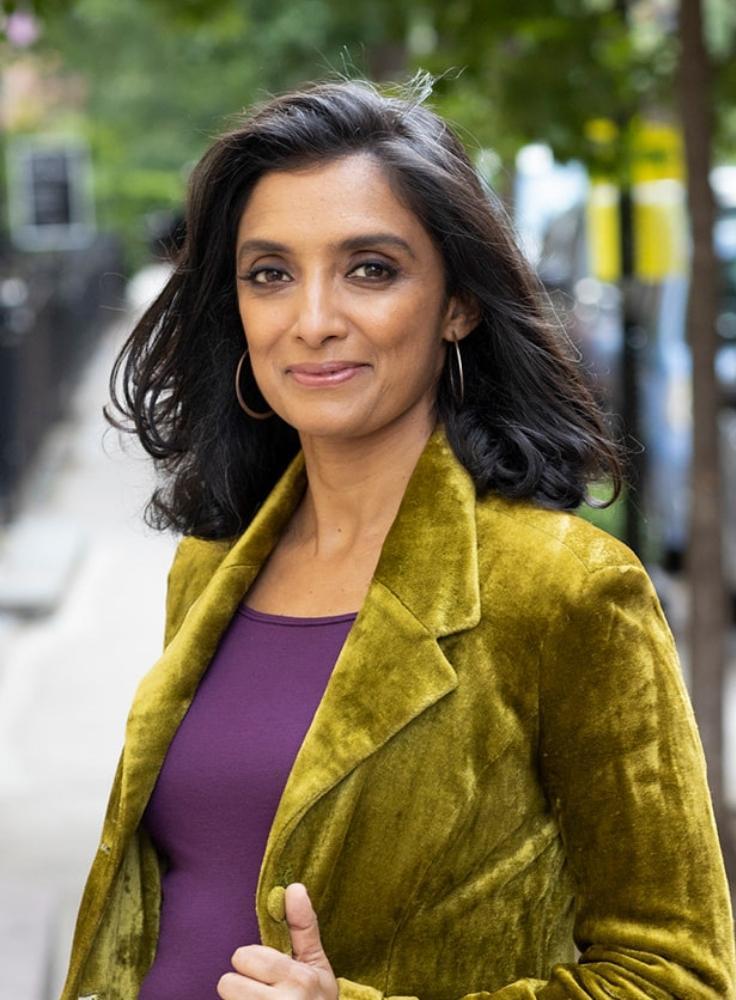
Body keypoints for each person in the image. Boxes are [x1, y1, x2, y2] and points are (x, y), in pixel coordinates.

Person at [60, 75, 735, 1000]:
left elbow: (680, 978)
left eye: (370, 269)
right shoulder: (210, 568)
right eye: (271, 273)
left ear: (457, 303)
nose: (313, 320)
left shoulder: (566, 588)